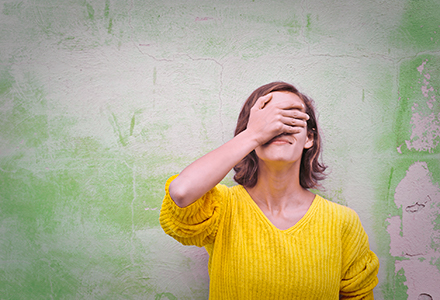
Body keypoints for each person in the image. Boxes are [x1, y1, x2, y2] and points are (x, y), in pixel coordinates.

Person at [160, 81, 379, 299]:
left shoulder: (342, 222)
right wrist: (253, 134)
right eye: (268, 118)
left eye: (291, 117)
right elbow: (181, 192)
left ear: (309, 138)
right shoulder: (222, 207)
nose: (279, 126)